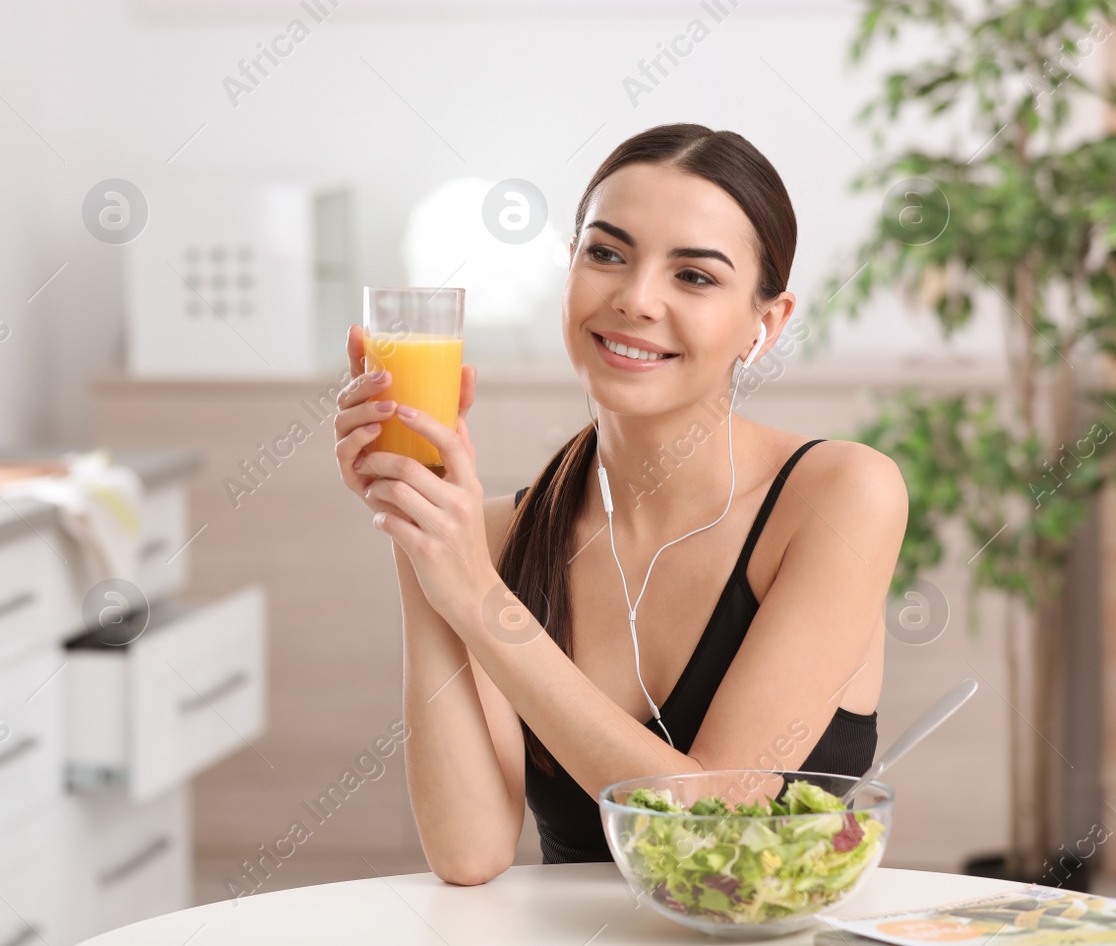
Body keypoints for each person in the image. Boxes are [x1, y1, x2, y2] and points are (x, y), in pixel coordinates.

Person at [331, 123, 906, 882]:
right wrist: (420, 530)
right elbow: (469, 852)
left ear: (764, 325)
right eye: (606, 253)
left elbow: (715, 812)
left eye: (694, 276)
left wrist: (475, 593)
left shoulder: (838, 495)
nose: (635, 298)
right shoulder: (496, 538)